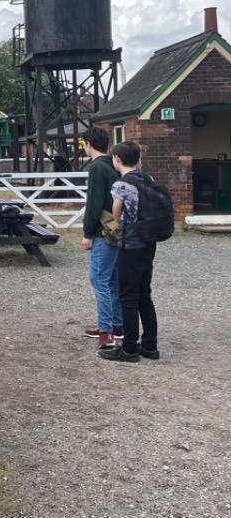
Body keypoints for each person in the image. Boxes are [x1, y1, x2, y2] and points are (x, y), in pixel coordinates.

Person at [100, 141, 160, 363]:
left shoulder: (122, 185)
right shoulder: (148, 179)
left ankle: (129, 348)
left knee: (128, 296)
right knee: (145, 294)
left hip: (131, 244)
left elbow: (117, 214)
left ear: (117, 159)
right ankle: (150, 345)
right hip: (148, 242)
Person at [80, 127, 123, 349]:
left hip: (103, 231)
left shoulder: (97, 167)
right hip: (117, 229)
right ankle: (117, 324)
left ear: (88, 144)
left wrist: (87, 233)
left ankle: (105, 330)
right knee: (112, 280)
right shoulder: (113, 165)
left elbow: (94, 203)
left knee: (99, 279)